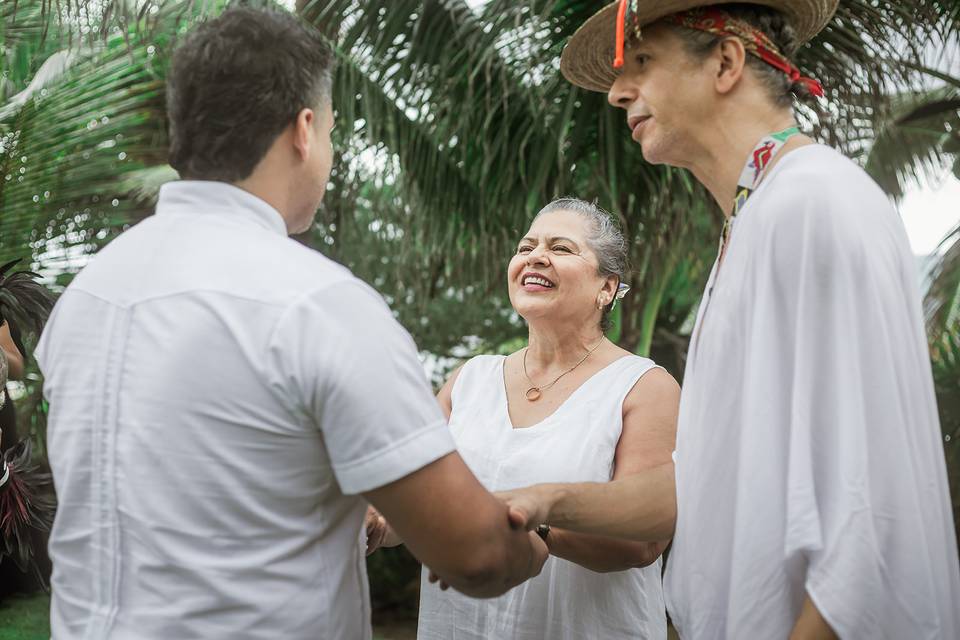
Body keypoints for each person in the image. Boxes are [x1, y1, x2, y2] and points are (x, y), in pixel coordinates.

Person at [35, 7, 546, 639]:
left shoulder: (88, 295)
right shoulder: (319, 305)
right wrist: (531, 549)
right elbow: (477, 555)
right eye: (331, 131)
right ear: (304, 130)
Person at [498, 2, 960, 639]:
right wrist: (537, 503)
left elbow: (869, 516)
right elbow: (707, 481)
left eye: (642, 63)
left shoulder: (811, 204)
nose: (618, 92)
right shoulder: (755, 221)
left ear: (725, 61)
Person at [368, 198, 680, 639]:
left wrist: (530, 527)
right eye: (526, 246)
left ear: (607, 288)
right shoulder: (469, 381)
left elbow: (644, 540)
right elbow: (418, 499)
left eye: (561, 248)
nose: (535, 256)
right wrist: (377, 524)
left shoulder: (643, 386)